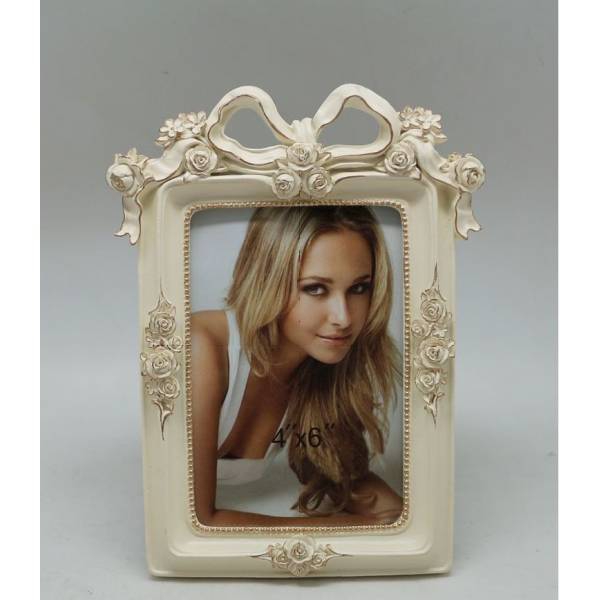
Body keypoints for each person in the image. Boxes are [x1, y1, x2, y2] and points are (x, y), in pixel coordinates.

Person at [191, 206, 404, 527]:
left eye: (359, 288)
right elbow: (196, 522)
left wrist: (404, 519)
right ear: (267, 280)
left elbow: (342, 478)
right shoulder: (202, 348)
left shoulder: (319, 368)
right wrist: (354, 529)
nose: (343, 318)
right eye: (315, 288)